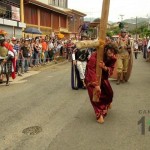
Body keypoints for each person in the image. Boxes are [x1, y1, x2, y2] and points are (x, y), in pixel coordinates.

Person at [85, 43, 118, 123]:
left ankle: (107, 103)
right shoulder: (95, 56)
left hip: (103, 76)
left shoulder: (112, 58)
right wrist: (95, 85)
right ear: (106, 49)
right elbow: (90, 70)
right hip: (91, 77)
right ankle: (99, 114)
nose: (111, 54)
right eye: (110, 51)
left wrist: (104, 67)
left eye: (113, 52)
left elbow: (111, 69)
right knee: (96, 96)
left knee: (109, 93)